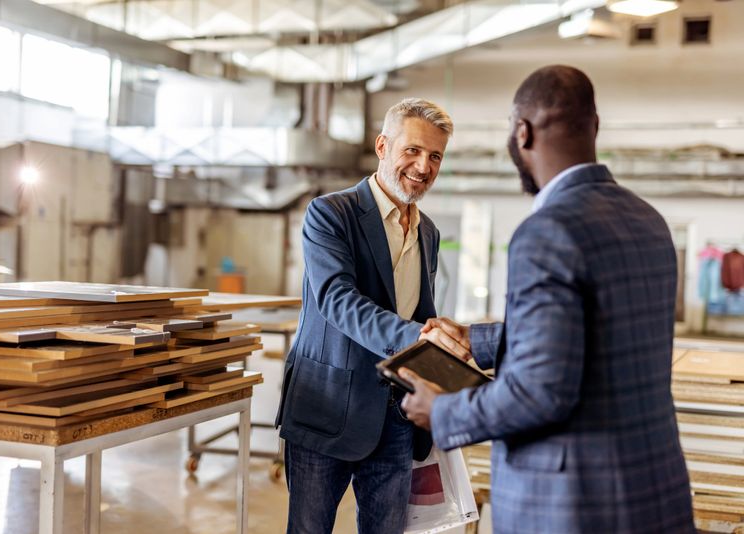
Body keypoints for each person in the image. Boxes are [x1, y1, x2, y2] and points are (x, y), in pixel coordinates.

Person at [400, 65, 696, 533]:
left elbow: (539, 394)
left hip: (571, 504)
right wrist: (478, 339)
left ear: (523, 132)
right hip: (655, 490)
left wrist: (442, 412)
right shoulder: (649, 221)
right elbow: (597, 335)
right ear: (594, 127)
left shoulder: (546, 232)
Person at [276, 98, 453, 534]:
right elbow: (337, 299)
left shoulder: (428, 231)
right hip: (328, 407)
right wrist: (416, 336)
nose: (423, 166)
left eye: (435, 156)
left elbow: (420, 310)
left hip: (394, 416)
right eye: (412, 150)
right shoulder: (330, 214)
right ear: (382, 146)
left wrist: (444, 356)